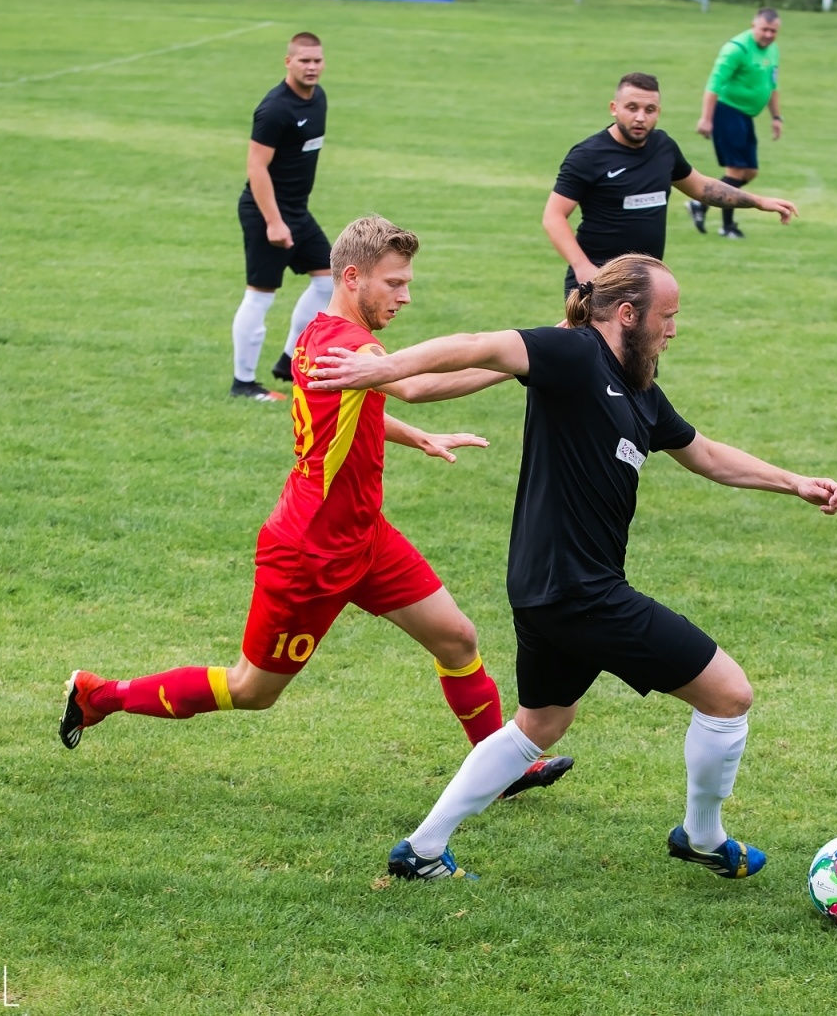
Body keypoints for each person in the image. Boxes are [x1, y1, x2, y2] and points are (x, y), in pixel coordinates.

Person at [306, 253, 837, 882]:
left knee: (540, 724)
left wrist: (794, 482)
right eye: (667, 316)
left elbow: (703, 454)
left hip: (547, 590)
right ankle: (702, 836)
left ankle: (421, 849)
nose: (673, 329)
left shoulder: (640, 390)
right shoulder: (575, 355)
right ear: (627, 314)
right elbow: (480, 344)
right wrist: (384, 367)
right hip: (580, 592)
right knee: (729, 695)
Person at [63, 216, 573, 802]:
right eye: (394, 284)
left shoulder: (319, 331)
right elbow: (413, 385)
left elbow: (357, 411)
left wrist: (419, 438)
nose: (405, 297)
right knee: (253, 689)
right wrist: (529, 354)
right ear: (353, 277)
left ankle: (503, 771)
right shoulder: (353, 345)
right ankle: (98, 696)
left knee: (457, 639)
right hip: (309, 551)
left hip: (365, 536)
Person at [544, 72, 798, 300]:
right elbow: (554, 216)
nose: (640, 117)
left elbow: (701, 187)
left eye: (649, 109)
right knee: (591, 353)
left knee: (642, 355)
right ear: (614, 108)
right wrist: (582, 267)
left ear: (659, 111)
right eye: (632, 108)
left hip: (647, 283)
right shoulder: (588, 155)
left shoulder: (663, 147)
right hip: (598, 282)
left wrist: (758, 201)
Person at [230, 32, 336, 403]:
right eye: (304, 61)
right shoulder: (275, 109)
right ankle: (243, 384)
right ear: (288, 62)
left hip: (297, 211)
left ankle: (290, 360)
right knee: (261, 295)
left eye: (317, 60)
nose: (312, 67)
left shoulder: (318, 98)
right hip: (266, 211)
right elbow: (256, 167)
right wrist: (274, 222)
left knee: (330, 279)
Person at [690, 9, 784, 240]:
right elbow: (714, 85)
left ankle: (700, 204)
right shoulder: (736, 49)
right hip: (727, 111)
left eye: (773, 31)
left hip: (746, 116)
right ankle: (728, 227)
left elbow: (771, 86)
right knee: (735, 171)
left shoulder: (773, 50)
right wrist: (706, 118)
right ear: (754, 25)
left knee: (750, 172)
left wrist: (776, 117)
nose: (769, 35)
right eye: (764, 29)